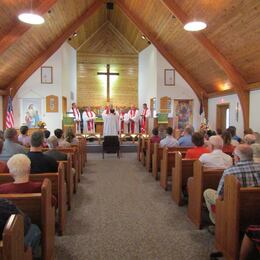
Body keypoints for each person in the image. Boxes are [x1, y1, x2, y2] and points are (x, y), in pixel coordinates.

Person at [203, 144, 260, 225]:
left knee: (207, 192)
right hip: (257, 207)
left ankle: (218, 222)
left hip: (234, 206)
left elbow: (219, 197)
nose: (233, 157)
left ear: (238, 158)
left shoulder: (230, 171)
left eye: (234, 155)